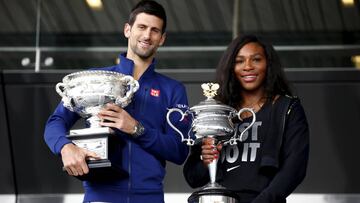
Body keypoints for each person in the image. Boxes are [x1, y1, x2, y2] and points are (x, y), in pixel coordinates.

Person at [44, 1, 190, 202]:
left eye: (155, 30)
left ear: (162, 39)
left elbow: (180, 150)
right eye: (141, 27)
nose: (147, 35)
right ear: (127, 30)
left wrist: (136, 128)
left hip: (150, 197)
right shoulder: (95, 80)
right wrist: (65, 147)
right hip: (99, 196)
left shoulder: (172, 90)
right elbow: (55, 122)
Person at [183, 35, 310, 203]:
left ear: (268, 65)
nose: (248, 67)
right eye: (239, 61)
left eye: (256, 59)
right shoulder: (218, 112)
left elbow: (294, 169)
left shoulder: (287, 109)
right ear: (231, 67)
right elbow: (193, 178)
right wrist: (206, 161)